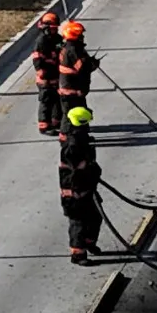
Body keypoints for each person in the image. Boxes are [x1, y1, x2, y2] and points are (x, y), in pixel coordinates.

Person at [58, 106, 102, 265]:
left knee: (95, 218)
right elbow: (77, 171)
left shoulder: (81, 140)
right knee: (78, 224)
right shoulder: (73, 146)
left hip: (86, 189)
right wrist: (91, 175)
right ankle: (78, 255)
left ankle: (89, 243)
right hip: (75, 194)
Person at [56, 20, 97, 129]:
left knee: (80, 113)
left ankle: (82, 135)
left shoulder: (68, 47)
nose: (82, 37)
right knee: (71, 116)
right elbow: (83, 68)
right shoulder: (73, 50)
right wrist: (93, 64)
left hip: (72, 88)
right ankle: (68, 138)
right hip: (71, 90)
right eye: (80, 35)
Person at [32, 11, 62, 136]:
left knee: (57, 100)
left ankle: (56, 122)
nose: (55, 31)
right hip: (45, 77)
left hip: (56, 74)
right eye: (53, 29)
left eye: (56, 28)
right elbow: (37, 59)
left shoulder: (57, 38)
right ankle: (44, 125)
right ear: (46, 28)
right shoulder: (41, 41)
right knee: (46, 101)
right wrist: (42, 73)